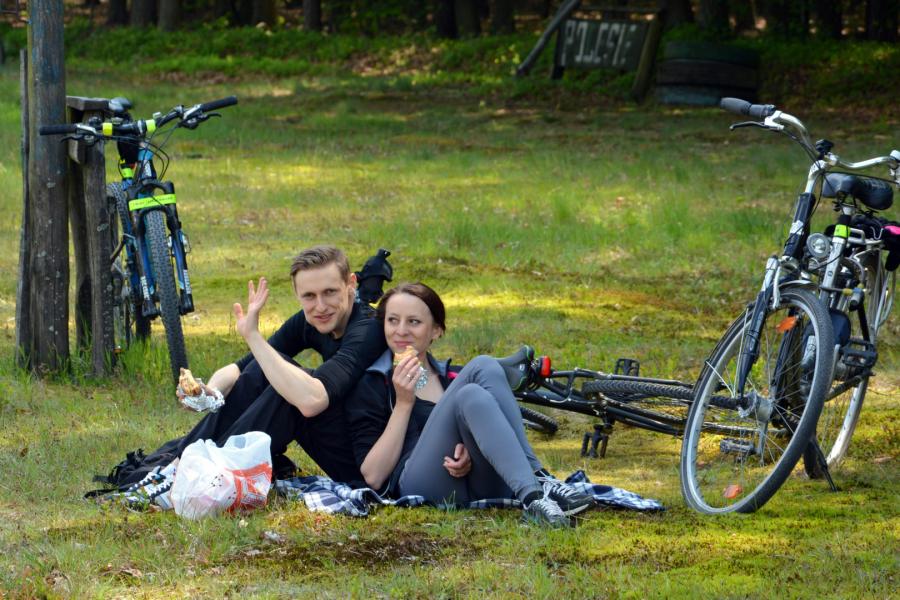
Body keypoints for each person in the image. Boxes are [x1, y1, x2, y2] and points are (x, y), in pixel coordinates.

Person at [116, 245, 387, 504]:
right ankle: (179, 464)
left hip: (367, 467)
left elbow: (312, 401)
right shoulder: (312, 320)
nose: (320, 305)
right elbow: (242, 368)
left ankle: (195, 472)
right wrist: (209, 393)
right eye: (309, 296)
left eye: (330, 292)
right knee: (265, 368)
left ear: (351, 284)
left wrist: (253, 337)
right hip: (343, 438)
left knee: (286, 388)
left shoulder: (368, 329)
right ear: (297, 294)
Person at [345, 283, 594, 527]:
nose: (401, 331)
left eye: (414, 322)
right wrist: (403, 403)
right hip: (421, 484)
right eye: (392, 320)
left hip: (481, 483)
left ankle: (534, 496)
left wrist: (468, 447)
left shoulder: (454, 377)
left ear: (436, 330)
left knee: (472, 394)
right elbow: (373, 477)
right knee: (482, 366)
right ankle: (539, 478)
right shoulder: (372, 383)